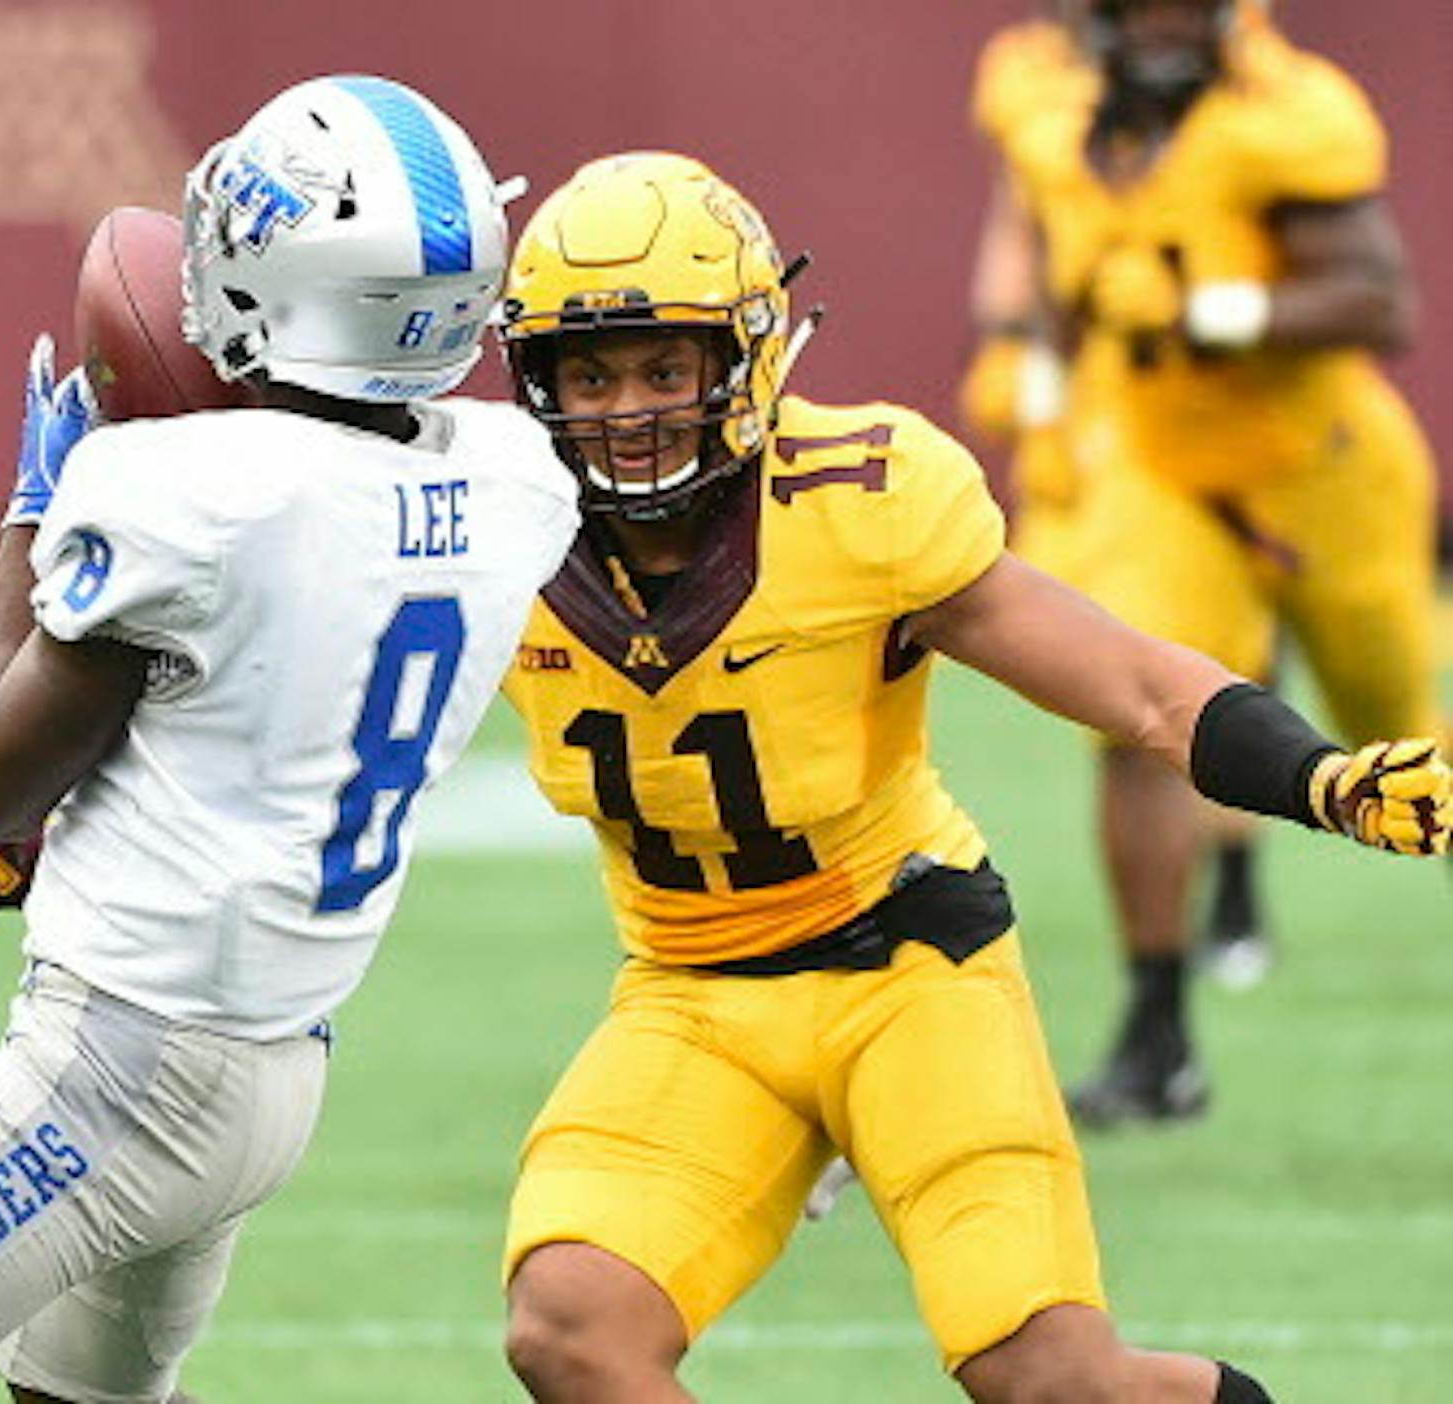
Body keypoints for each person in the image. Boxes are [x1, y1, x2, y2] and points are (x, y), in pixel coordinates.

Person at [489, 151, 1447, 1403]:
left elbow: (1137, 686)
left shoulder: (862, 501)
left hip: (905, 970)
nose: (629, 412)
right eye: (592, 375)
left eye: (665, 369)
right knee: (570, 1328)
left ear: (746, 354)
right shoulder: (492, 536)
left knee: (1048, 1379)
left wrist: (1321, 779)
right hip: (691, 989)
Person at [0, 75, 578, 1403]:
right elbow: (247, 688)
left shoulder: (188, 495)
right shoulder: (511, 478)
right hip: (276, 1059)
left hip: (127, 1065)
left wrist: (36, 506)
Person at [993, 0, 1445, 1124]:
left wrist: (1213, 311)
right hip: (1164, 467)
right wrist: (1043, 395)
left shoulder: (1288, 116)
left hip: (1322, 467)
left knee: (1401, 729)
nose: (1165, 27)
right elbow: (1056, 264)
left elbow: (1381, 300)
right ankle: (1160, 1038)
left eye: (1185, 5)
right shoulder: (1050, 115)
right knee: (1134, 715)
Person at [961, 1, 1278, 1002]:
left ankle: (1238, 872)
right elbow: (1026, 227)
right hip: (1122, 417)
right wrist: (1022, 346)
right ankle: (1167, 994)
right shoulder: (1031, 80)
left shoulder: (1256, 79)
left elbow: (1347, 270)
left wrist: (1226, 313)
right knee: (1138, 654)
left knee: (1355, 685)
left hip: (1262, 408)